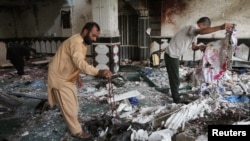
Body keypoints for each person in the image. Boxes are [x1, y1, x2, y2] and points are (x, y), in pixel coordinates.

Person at [47, 22, 112, 139]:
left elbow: (73, 62)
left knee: (73, 103)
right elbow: (80, 63)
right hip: (59, 77)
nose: (95, 39)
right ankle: (76, 131)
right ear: (85, 32)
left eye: (96, 36)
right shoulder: (76, 42)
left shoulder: (81, 42)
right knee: (69, 106)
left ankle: (73, 120)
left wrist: (77, 76)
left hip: (67, 76)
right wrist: (99, 72)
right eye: (93, 35)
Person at [164, 17, 233, 104]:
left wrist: (200, 47)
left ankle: (175, 93)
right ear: (201, 24)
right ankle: (176, 99)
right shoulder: (192, 27)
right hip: (171, 55)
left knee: (175, 77)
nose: (205, 30)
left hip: (175, 55)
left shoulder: (193, 35)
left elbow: (194, 47)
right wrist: (221, 27)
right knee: (175, 78)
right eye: (205, 28)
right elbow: (200, 31)